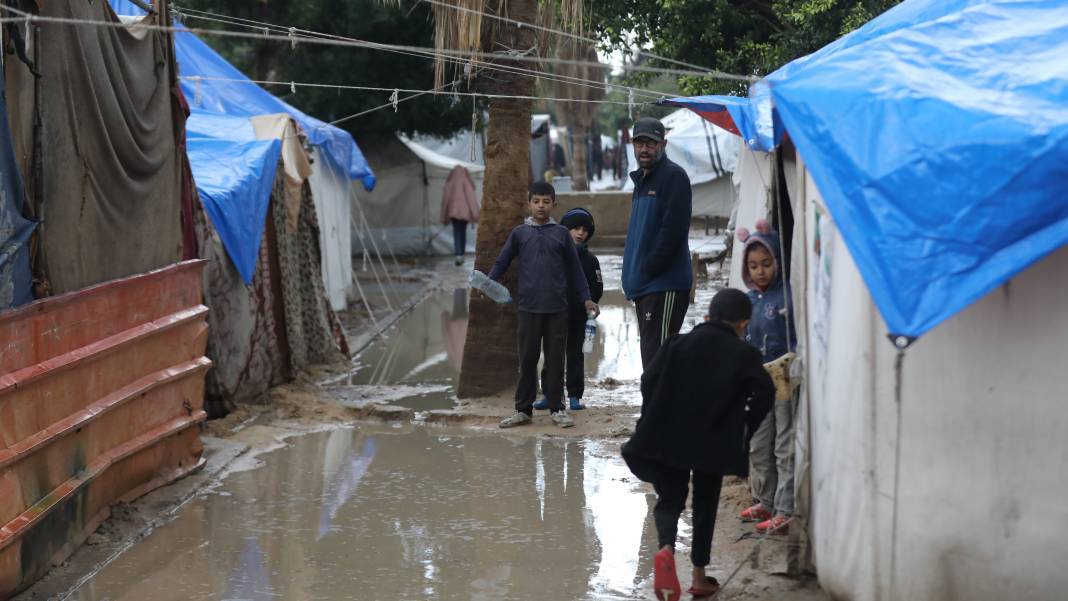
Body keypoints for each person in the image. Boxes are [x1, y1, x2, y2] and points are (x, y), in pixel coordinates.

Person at [622, 289, 775, 601]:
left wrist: (654, 410)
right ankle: (698, 577)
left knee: (670, 497)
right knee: (705, 503)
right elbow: (765, 391)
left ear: (707, 317)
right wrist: (745, 426)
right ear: (744, 324)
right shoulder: (743, 354)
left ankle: (665, 547)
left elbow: (648, 378)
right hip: (712, 440)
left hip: (667, 434)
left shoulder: (677, 343)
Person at [488, 182, 599, 429]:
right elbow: (502, 260)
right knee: (527, 360)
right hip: (528, 308)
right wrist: (488, 281)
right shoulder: (519, 234)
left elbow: (575, 270)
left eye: (546, 201)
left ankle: (557, 409)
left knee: (556, 360)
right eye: (536, 201)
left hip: (557, 309)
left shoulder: (561, 234)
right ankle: (523, 410)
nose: (541, 206)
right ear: (529, 204)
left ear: (553, 204)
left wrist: (586, 297)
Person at [735, 219, 798, 535]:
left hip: (784, 380)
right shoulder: (748, 300)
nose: (760, 271)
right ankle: (765, 499)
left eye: (767, 264)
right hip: (757, 384)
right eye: (754, 266)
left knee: (784, 444)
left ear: (779, 262)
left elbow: (799, 339)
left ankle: (785, 508)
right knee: (759, 444)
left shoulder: (788, 297)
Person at [622, 117, 693, 368]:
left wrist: (650, 266)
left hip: (664, 285)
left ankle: (663, 407)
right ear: (632, 144)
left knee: (659, 358)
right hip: (645, 285)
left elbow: (673, 230)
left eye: (650, 143)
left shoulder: (673, 177)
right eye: (639, 143)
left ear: (663, 143)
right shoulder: (641, 181)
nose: (644, 149)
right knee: (651, 355)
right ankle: (655, 406)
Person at [535, 208, 603, 412]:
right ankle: (549, 394)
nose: (580, 233)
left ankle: (574, 396)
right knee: (552, 355)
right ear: (566, 230)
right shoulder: (554, 255)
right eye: (575, 228)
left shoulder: (591, 260)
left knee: (575, 357)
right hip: (554, 314)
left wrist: (588, 304)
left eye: (584, 229)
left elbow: (597, 287)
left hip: (578, 318)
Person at [441, 165, 479, 266]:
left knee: (456, 232)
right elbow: (471, 198)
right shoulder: (466, 180)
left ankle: (458, 255)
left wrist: (444, 217)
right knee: (462, 233)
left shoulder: (450, 181)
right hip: (465, 213)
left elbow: (445, 201)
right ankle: (461, 254)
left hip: (453, 213)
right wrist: (475, 214)